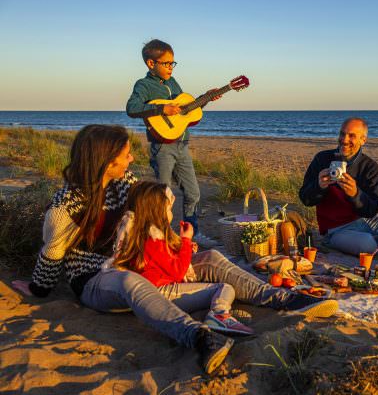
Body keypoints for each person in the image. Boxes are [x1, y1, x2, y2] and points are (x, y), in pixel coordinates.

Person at [11, 124, 233, 374]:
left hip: (133, 262)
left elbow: (151, 213)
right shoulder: (66, 205)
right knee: (128, 281)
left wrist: (177, 244)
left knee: (210, 257)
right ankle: (201, 338)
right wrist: (37, 289)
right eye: (126, 154)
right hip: (94, 279)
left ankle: (280, 296)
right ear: (107, 162)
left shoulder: (124, 183)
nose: (132, 158)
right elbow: (53, 251)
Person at [111, 181, 253, 335]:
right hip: (161, 292)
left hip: (153, 290)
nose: (171, 213)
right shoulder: (152, 240)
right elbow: (178, 271)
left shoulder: (140, 234)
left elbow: (163, 262)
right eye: (169, 208)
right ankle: (219, 314)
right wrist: (185, 240)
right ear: (157, 211)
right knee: (224, 288)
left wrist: (184, 248)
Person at [125, 39, 217, 248]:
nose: (170, 67)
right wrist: (161, 110)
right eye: (166, 63)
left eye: (172, 63)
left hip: (182, 145)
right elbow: (132, 108)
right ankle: (161, 237)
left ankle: (192, 234)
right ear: (151, 64)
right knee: (163, 196)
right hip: (162, 148)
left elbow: (185, 109)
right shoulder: (143, 85)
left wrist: (205, 98)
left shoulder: (173, 83)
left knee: (193, 193)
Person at [299, 117, 378, 255]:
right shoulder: (322, 159)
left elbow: (371, 210)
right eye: (342, 134)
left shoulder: (370, 166)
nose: (344, 139)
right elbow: (305, 199)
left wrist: (355, 194)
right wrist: (319, 186)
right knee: (367, 244)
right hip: (336, 230)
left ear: (363, 140)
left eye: (352, 136)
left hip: (368, 221)